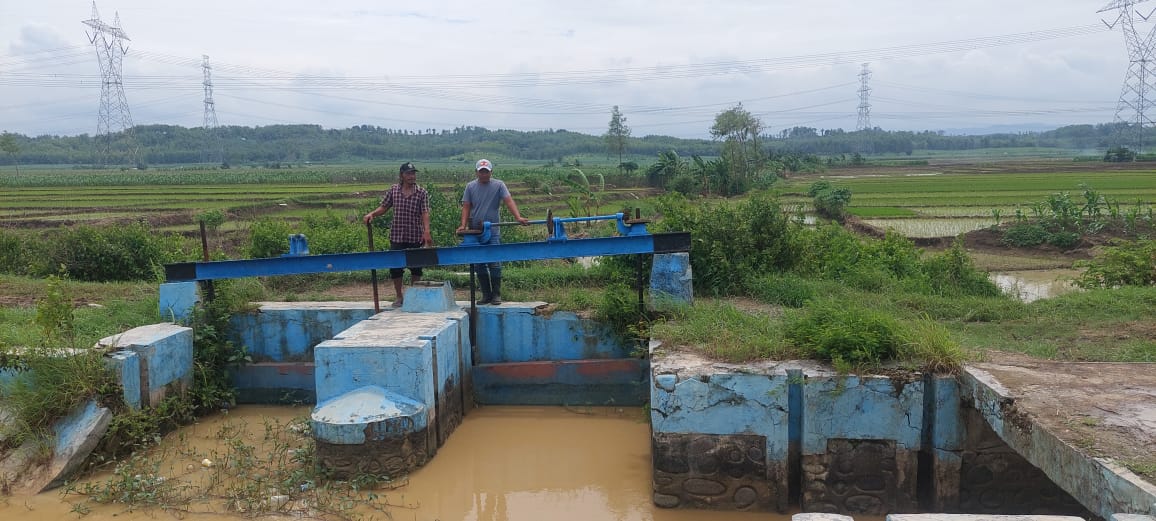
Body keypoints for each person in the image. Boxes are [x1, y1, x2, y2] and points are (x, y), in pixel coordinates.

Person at [456, 158, 529, 305]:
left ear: (491, 172)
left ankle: (496, 295)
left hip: (493, 229)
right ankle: (486, 295)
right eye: (481, 172)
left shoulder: (499, 185)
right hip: (476, 231)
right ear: (476, 172)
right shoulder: (470, 187)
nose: (484, 175)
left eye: (486, 172)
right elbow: (466, 206)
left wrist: (518, 217)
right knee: (479, 264)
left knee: (494, 262)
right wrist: (463, 225)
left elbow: (508, 200)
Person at [363, 161, 433, 308]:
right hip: (397, 235)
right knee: (395, 267)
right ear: (402, 175)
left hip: (414, 235)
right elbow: (384, 207)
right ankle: (399, 296)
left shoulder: (422, 192)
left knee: (416, 267)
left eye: (413, 173)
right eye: (408, 173)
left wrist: (427, 232)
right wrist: (372, 214)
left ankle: (413, 296)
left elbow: (425, 213)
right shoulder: (394, 190)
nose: (412, 176)